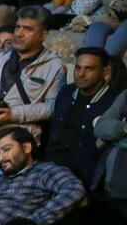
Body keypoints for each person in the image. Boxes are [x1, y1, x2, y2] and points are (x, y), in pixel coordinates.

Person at [0, 6, 67, 143]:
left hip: (21, 140)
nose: (19, 34)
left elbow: (52, 108)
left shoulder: (55, 66)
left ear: (43, 35)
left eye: (27, 29)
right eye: (17, 27)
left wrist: (13, 115)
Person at [47, 47, 118, 189]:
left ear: (105, 72)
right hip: (52, 170)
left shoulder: (114, 101)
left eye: (89, 68)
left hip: (87, 178)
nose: (81, 74)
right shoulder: (66, 92)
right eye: (78, 68)